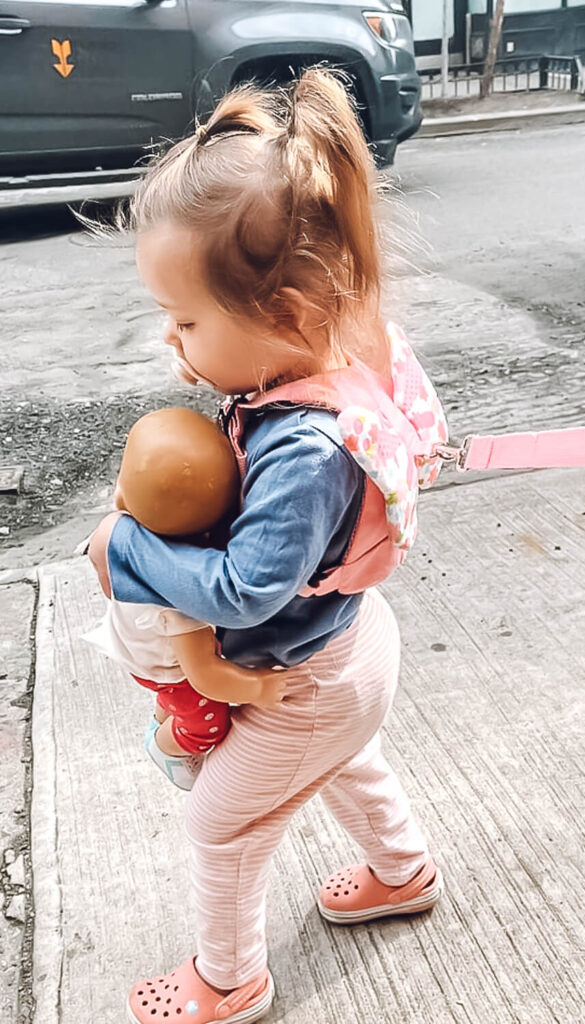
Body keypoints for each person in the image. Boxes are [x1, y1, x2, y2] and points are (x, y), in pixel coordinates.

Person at [87, 67, 448, 1024]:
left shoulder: (305, 446)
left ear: (285, 316)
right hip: (342, 654)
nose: (172, 341)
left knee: (222, 823)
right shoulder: (332, 353)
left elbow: (247, 590)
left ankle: (228, 978)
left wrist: (129, 550)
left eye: (189, 319)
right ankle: (403, 870)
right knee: (342, 765)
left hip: (310, 678)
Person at [84, 407, 287, 790]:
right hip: (172, 675)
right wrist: (259, 688)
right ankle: (166, 747)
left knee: (169, 698)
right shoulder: (181, 599)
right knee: (207, 725)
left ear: (122, 496)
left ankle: (164, 716)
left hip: (135, 649)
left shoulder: (113, 532)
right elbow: (206, 676)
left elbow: (106, 580)